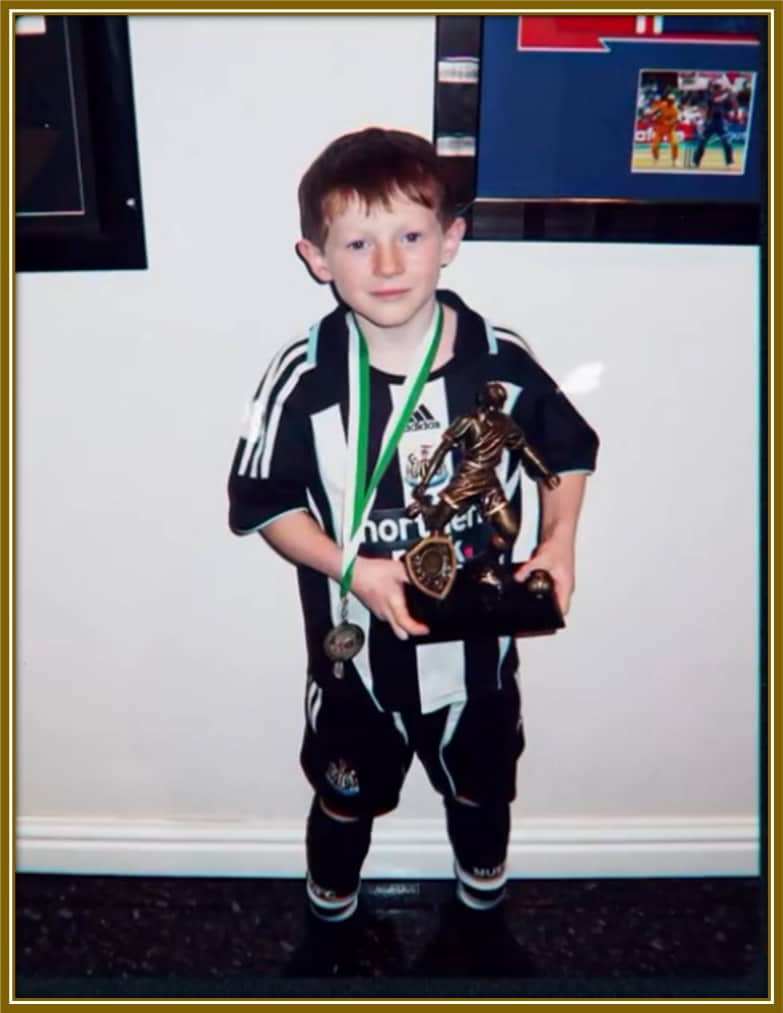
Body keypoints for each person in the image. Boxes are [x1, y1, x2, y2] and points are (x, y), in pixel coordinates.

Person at [227, 127, 599, 976]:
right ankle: (330, 924)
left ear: (451, 240)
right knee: (343, 795)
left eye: (410, 234)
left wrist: (559, 542)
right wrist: (349, 566)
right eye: (357, 241)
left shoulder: (500, 361)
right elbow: (262, 504)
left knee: (482, 787)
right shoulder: (303, 374)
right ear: (318, 258)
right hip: (356, 660)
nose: (387, 261)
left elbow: (568, 451)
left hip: (479, 653)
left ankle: (481, 918)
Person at [693, 77, 737, 168]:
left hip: (720, 122)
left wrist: (731, 94)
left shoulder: (726, 98)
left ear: (721, 89)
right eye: (714, 88)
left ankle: (730, 162)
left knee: (727, 143)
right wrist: (704, 122)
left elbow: (731, 106)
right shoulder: (710, 97)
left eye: (718, 88)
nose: (715, 90)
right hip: (710, 122)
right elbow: (711, 104)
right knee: (702, 142)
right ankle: (695, 162)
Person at [648, 91, 680, 167]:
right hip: (660, 129)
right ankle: (656, 159)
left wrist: (668, 123)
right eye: (669, 100)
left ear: (673, 101)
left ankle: (674, 160)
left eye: (671, 100)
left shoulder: (675, 110)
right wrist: (655, 115)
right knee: (654, 146)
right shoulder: (662, 105)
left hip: (669, 130)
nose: (670, 102)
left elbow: (674, 121)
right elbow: (654, 113)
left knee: (675, 144)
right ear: (667, 100)